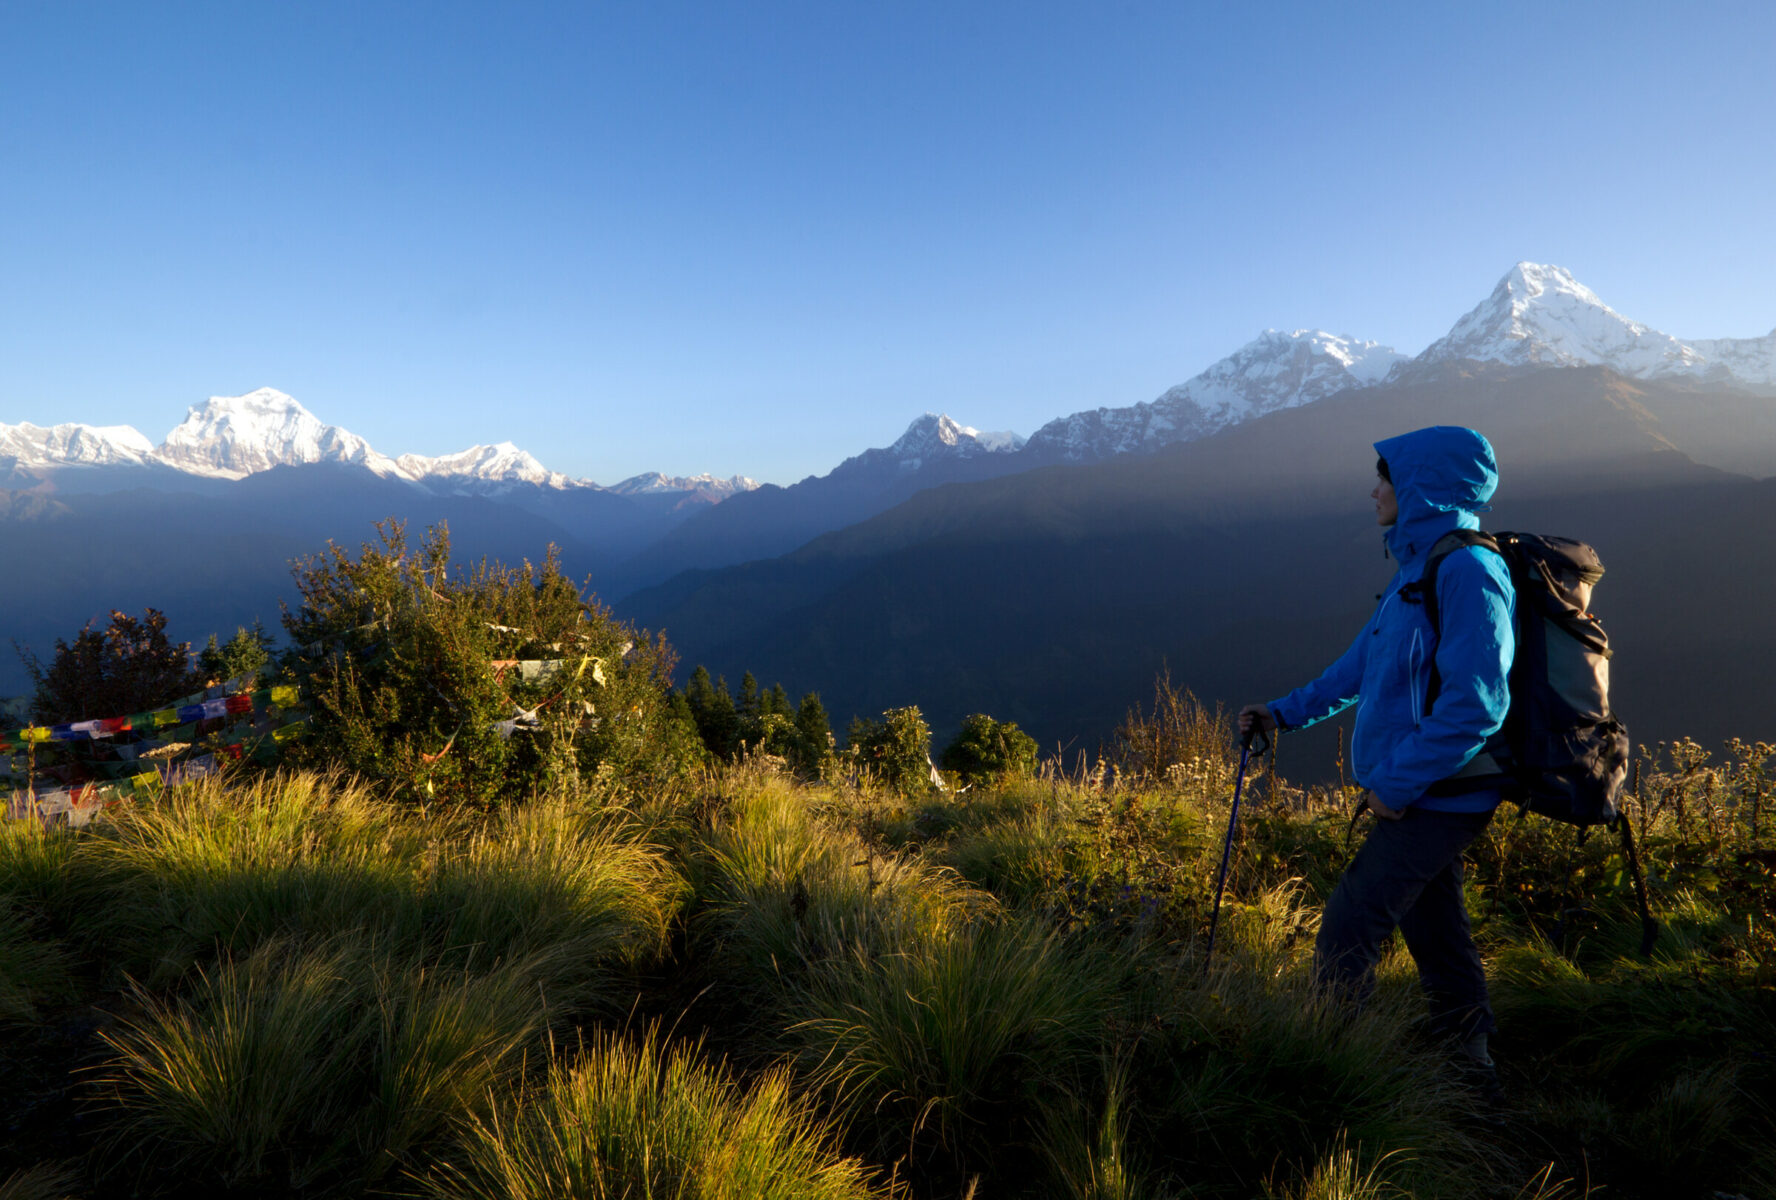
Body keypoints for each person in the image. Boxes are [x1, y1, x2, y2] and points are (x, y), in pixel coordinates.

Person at [1239, 425, 1514, 1092]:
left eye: (1385, 478)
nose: (1374, 490)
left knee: (1350, 924)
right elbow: (1357, 669)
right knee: (1433, 921)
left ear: (1421, 486)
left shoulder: (1471, 572)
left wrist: (1392, 783)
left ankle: (1331, 1069)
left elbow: (1478, 705)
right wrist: (1281, 712)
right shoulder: (1416, 574)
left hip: (1441, 795)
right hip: (1422, 789)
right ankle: (1469, 1059)